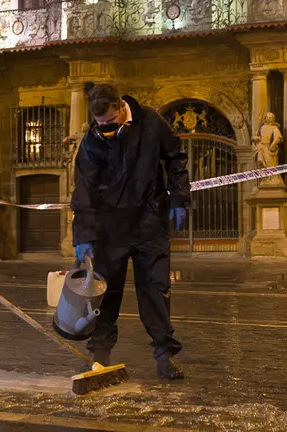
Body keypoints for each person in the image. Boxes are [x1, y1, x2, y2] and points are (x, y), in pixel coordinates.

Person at [71, 83, 191, 380]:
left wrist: (179, 197)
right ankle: (99, 358)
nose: (106, 131)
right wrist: (84, 235)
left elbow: (175, 155)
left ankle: (164, 356)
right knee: (105, 294)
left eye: (111, 124)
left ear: (120, 107)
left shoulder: (150, 121)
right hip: (109, 227)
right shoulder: (92, 141)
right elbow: (84, 189)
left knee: (155, 289)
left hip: (149, 221)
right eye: (100, 126)